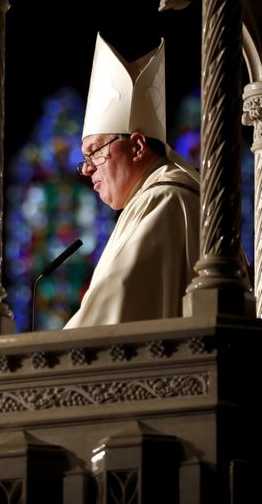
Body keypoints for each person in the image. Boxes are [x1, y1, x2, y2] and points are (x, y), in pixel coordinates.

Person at [64, 34, 201, 328]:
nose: (87, 170)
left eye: (95, 152)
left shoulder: (165, 200)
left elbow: (111, 314)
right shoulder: (147, 200)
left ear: (137, 147)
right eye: (84, 159)